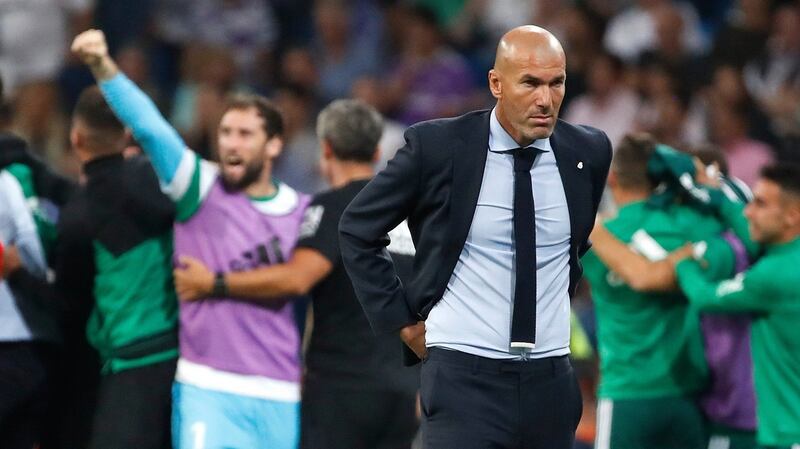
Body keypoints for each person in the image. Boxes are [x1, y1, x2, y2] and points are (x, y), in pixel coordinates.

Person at [338, 25, 612, 449]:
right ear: (496, 83)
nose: (546, 99)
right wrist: (401, 321)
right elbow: (358, 228)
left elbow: (573, 249)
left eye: (556, 83)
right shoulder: (438, 147)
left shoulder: (588, 153)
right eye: (530, 83)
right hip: (463, 377)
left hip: (552, 382)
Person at [72, 29, 310, 449]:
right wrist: (101, 66)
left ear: (274, 144)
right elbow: (149, 126)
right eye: (225, 133)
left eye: (245, 134)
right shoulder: (198, 187)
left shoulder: (302, 212)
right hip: (208, 388)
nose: (231, 144)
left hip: (279, 390)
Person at [172, 99, 420, 449]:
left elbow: (297, 278)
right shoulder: (409, 214)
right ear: (377, 151)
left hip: (343, 387)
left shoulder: (331, 207)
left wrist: (215, 283)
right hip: (402, 390)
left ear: (326, 149)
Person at [582, 135, 746, 449]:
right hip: (686, 396)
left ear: (613, 179)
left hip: (626, 395)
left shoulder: (595, 236)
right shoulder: (690, 228)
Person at [57, 86, 179, 449]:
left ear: (76, 139)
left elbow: (70, 304)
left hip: (131, 370)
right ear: (127, 135)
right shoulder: (162, 178)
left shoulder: (78, 213)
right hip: (188, 361)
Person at [672, 164, 800, 449]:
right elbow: (755, 234)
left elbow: (706, 297)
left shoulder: (774, 276)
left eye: (761, 204)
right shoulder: (787, 259)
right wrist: (722, 201)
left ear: (792, 216)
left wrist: (682, 262)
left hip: (788, 436)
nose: (748, 212)